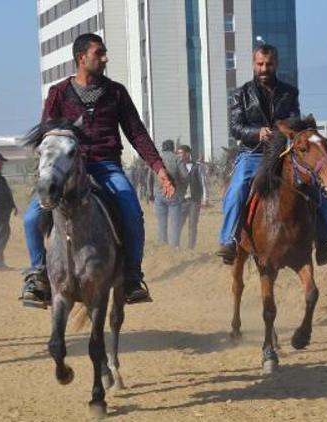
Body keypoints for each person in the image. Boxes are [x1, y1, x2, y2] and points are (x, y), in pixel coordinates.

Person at [21, 33, 176, 306]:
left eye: (104, 53)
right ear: (82, 58)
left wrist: (158, 168)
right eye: (99, 53)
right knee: (32, 218)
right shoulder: (58, 93)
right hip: (67, 169)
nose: (104, 58)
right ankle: (37, 275)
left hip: (106, 166)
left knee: (131, 209)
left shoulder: (116, 92)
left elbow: (136, 133)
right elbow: (48, 133)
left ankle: (131, 277)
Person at [216, 44, 327, 266]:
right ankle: (228, 239)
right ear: (253, 65)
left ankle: (324, 242)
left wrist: (283, 128)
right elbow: (235, 127)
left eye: (268, 64)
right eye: (260, 64)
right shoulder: (240, 94)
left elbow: (295, 120)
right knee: (238, 187)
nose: (264, 68)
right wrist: (257, 132)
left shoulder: (289, 92)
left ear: (275, 64)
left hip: (284, 152)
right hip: (253, 154)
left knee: (318, 186)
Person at [154, 140, 187, 248]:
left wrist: (150, 193)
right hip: (174, 194)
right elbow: (185, 176)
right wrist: (181, 190)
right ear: (173, 148)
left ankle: (162, 245)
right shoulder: (178, 158)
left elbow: (150, 176)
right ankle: (174, 247)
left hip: (159, 194)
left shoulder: (156, 159)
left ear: (163, 148)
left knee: (161, 222)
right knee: (174, 223)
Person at [177, 144, 208, 249]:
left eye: (181, 153)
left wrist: (205, 198)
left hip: (194, 200)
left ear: (187, 153)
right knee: (178, 223)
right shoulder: (177, 167)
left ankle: (191, 247)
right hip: (182, 200)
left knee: (192, 225)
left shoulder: (197, 167)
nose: (180, 155)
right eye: (179, 153)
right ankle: (175, 245)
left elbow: (203, 183)